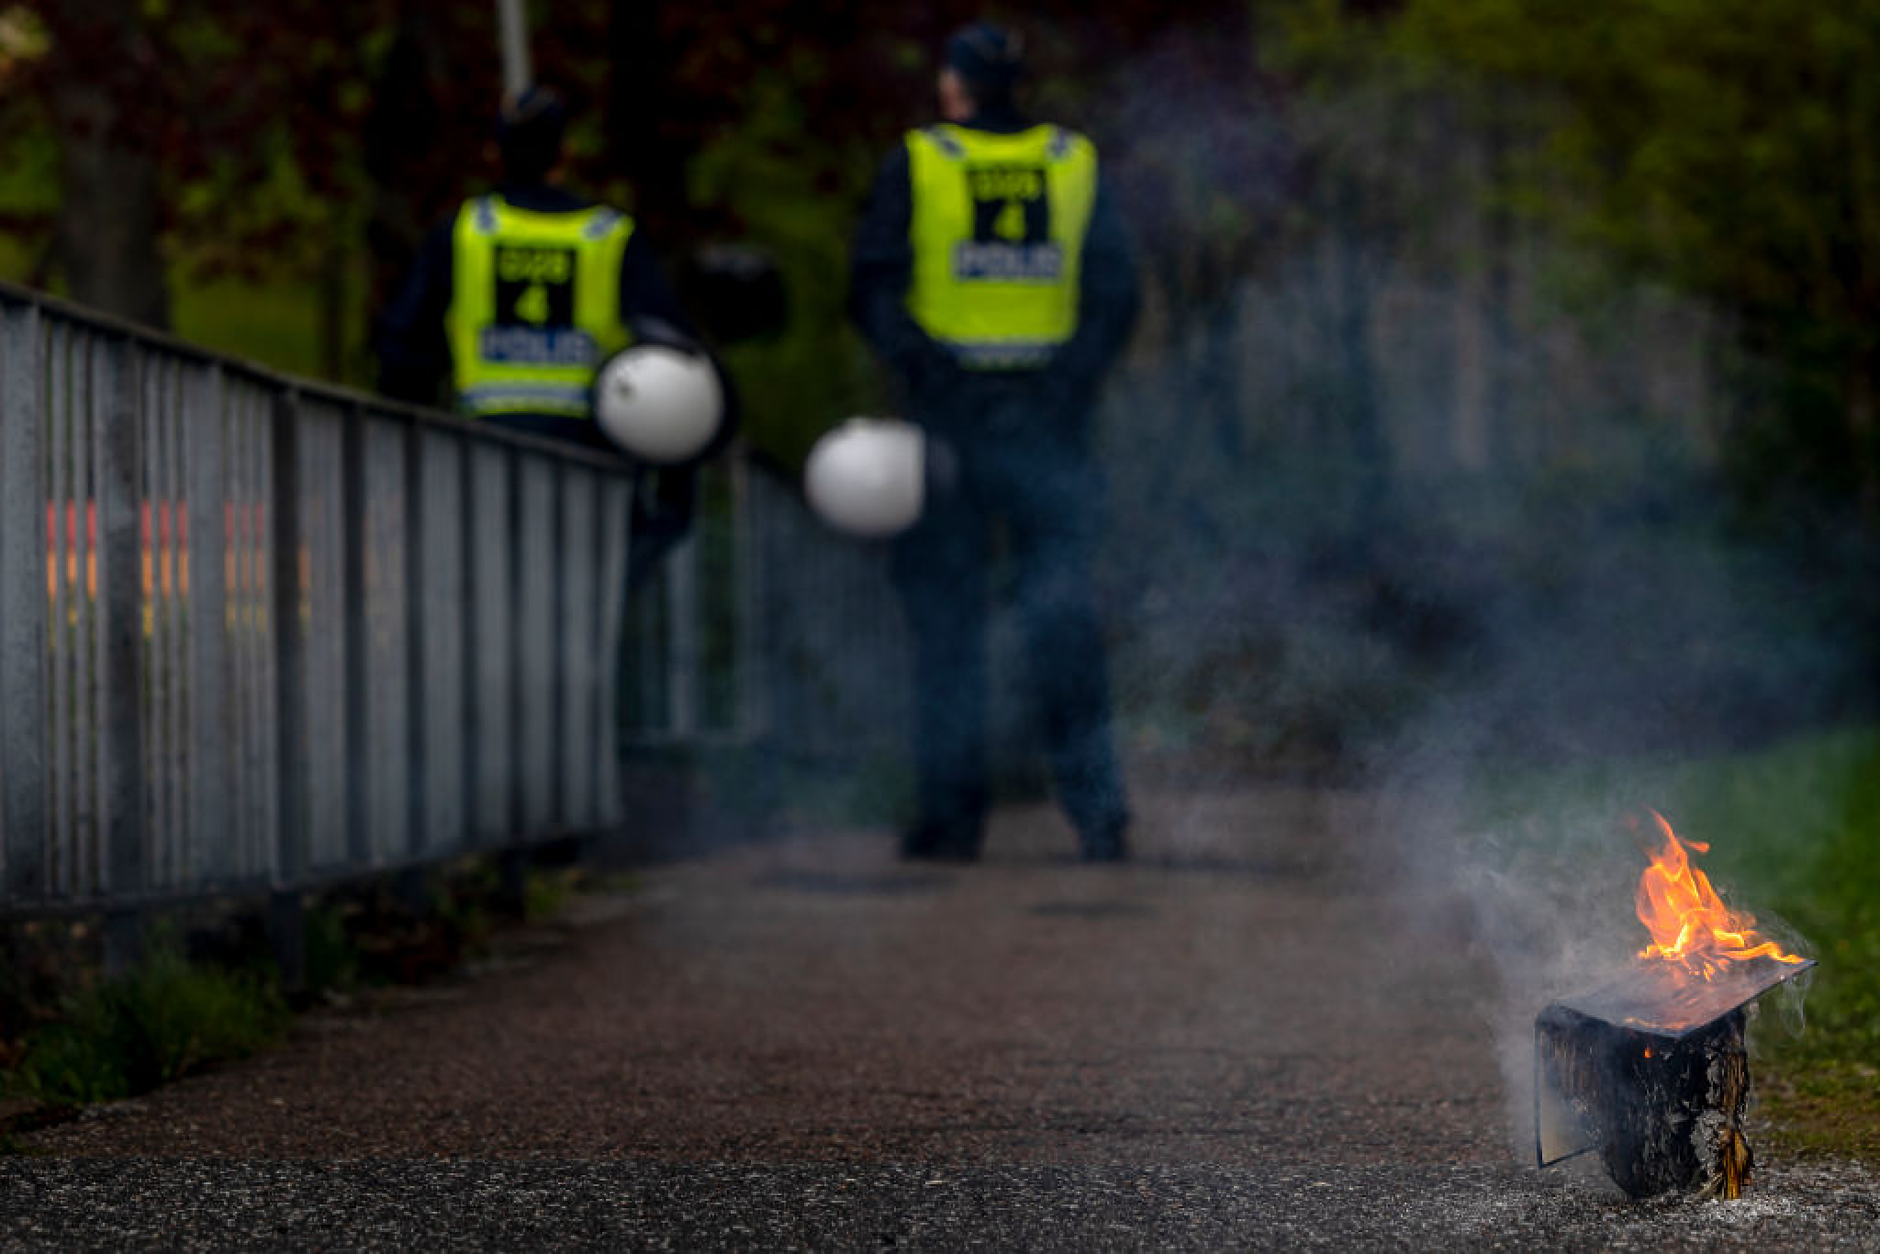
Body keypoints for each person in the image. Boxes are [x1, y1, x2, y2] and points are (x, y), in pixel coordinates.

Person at [849, 20, 1140, 863]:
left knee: (947, 622)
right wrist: (1064, 385)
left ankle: (950, 820)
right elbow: (1115, 294)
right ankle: (1098, 817)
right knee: (1066, 619)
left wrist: (932, 375)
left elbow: (871, 287)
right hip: (1051, 423)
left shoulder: (922, 160)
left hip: (950, 424)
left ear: (955, 86)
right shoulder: (1072, 162)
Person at [375, 84, 730, 581]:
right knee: (583, 598)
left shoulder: (463, 231)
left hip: (483, 455)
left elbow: (402, 349)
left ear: (493, 153)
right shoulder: (609, 236)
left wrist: (413, 446)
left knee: (488, 592)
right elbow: (673, 356)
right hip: (592, 459)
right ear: (565, 154)